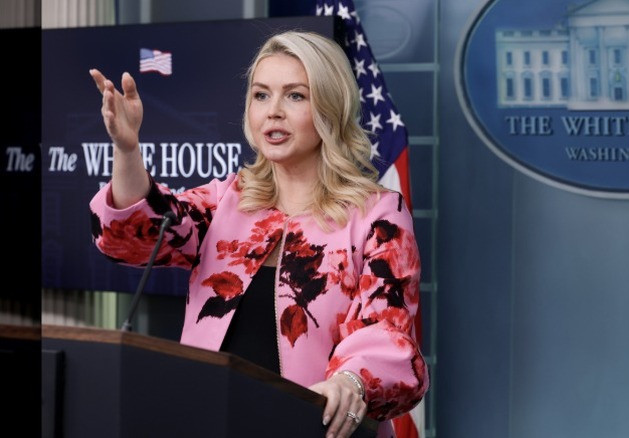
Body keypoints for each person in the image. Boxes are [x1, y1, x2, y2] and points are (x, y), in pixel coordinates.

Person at [88, 30, 428, 438]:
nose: (274, 112)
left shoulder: (377, 215)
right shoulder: (225, 201)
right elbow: (131, 233)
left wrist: (350, 382)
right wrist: (127, 151)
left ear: (330, 107)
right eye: (261, 95)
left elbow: (386, 332)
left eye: (296, 96)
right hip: (210, 422)